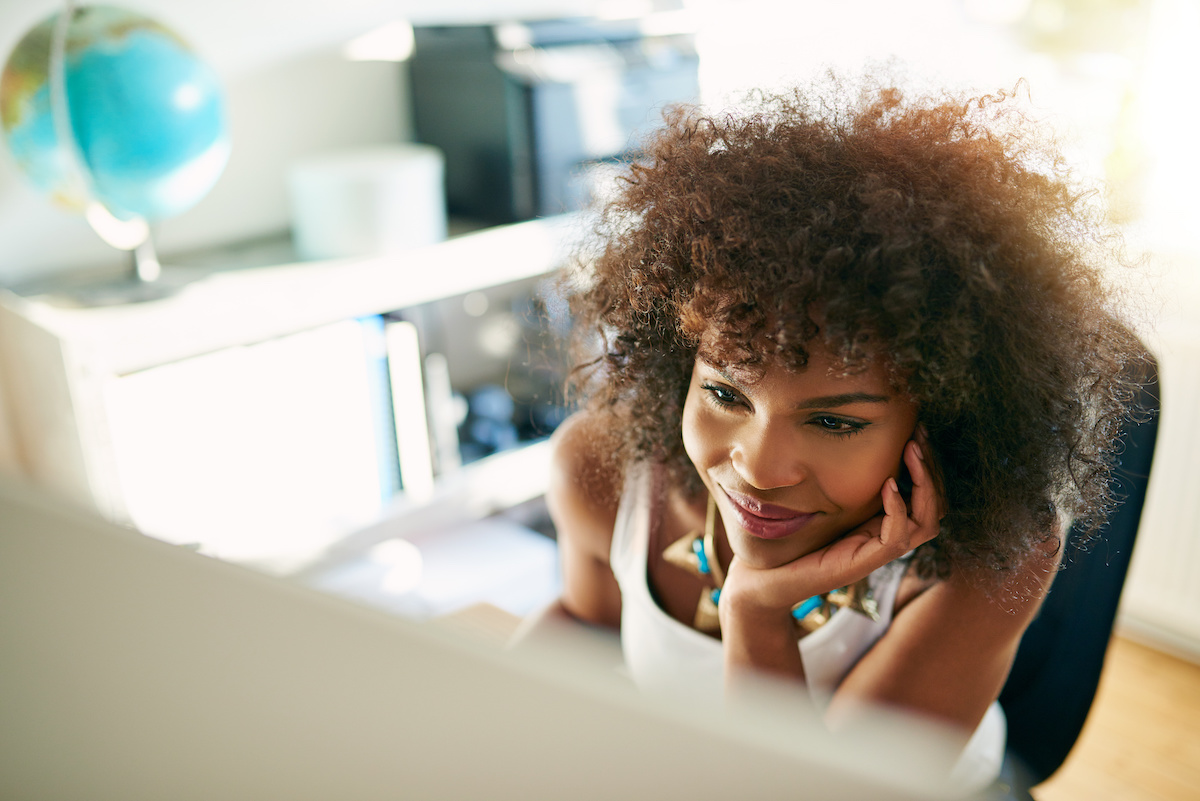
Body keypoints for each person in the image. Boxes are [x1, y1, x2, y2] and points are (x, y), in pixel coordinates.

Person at [521, 74, 1147, 794]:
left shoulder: (998, 556)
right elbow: (585, 626)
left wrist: (756, 607)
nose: (758, 466)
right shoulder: (602, 469)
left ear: (939, 416)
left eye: (832, 420)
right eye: (726, 392)